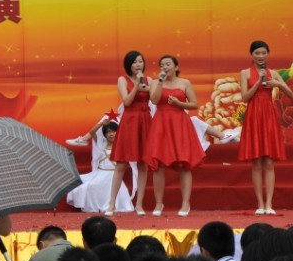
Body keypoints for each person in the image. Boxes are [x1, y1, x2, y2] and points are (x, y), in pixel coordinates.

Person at [145, 55, 204, 217]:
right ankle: (159, 203)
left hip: (179, 123)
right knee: (159, 164)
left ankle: (185, 203)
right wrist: (160, 82)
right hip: (161, 124)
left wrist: (179, 104)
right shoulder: (155, 82)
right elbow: (154, 100)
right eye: (162, 65)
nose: (165, 67)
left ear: (176, 67)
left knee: (184, 164)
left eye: (168, 64)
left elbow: (194, 104)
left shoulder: (185, 83)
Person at [239, 40, 293, 215]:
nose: (261, 56)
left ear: (268, 54)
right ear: (252, 55)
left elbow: (291, 95)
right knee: (256, 162)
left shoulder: (273, 73)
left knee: (269, 162)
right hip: (253, 115)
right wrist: (257, 83)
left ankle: (269, 204)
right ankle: (260, 204)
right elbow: (245, 97)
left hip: (269, 116)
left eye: (263, 53)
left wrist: (279, 84)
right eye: (257, 53)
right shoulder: (245, 73)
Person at [105, 51, 152, 216]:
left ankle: (139, 204)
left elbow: (155, 98)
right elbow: (127, 102)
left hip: (145, 120)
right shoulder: (122, 80)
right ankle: (111, 204)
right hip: (130, 121)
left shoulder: (149, 80)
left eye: (141, 61)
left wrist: (149, 86)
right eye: (135, 62)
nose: (138, 64)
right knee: (121, 164)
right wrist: (137, 86)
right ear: (129, 65)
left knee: (142, 164)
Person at [67, 121, 135, 214]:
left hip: (114, 175)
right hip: (100, 173)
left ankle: (110, 205)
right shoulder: (101, 144)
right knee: (86, 185)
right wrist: (101, 123)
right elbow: (92, 133)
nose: (111, 134)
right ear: (105, 134)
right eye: (108, 132)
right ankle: (92, 206)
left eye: (114, 131)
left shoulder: (121, 146)